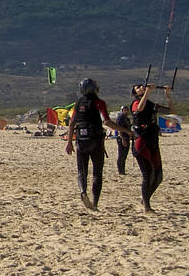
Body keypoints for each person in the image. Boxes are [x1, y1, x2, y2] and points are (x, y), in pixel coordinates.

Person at [65, 79, 130, 211]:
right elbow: (107, 122)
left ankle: (83, 191)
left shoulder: (78, 104)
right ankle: (95, 203)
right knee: (97, 173)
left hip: (81, 141)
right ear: (95, 89)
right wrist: (126, 131)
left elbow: (72, 124)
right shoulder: (99, 102)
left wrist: (69, 143)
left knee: (82, 171)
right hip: (96, 141)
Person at [131, 82, 173, 213]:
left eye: (142, 86)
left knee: (159, 176)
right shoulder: (135, 103)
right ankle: (147, 206)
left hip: (153, 141)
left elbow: (171, 111)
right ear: (134, 93)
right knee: (147, 175)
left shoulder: (152, 105)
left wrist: (168, 95)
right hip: (141, 142)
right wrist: (147, 92)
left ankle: (146, 197)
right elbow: (139, 109)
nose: (141, 88)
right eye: (138, 87)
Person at [114, 105, 132, 175]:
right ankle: (120, 171)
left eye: (127, 110)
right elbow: (119, 129)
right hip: (122, 138)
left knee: (125, 155)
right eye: (125, 110)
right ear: (122, 111)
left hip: (127, 137)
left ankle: (123, 170)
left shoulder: (127, 119)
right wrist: (122, 138)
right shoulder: (120, 118)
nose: (126, 111)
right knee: (121, 155)